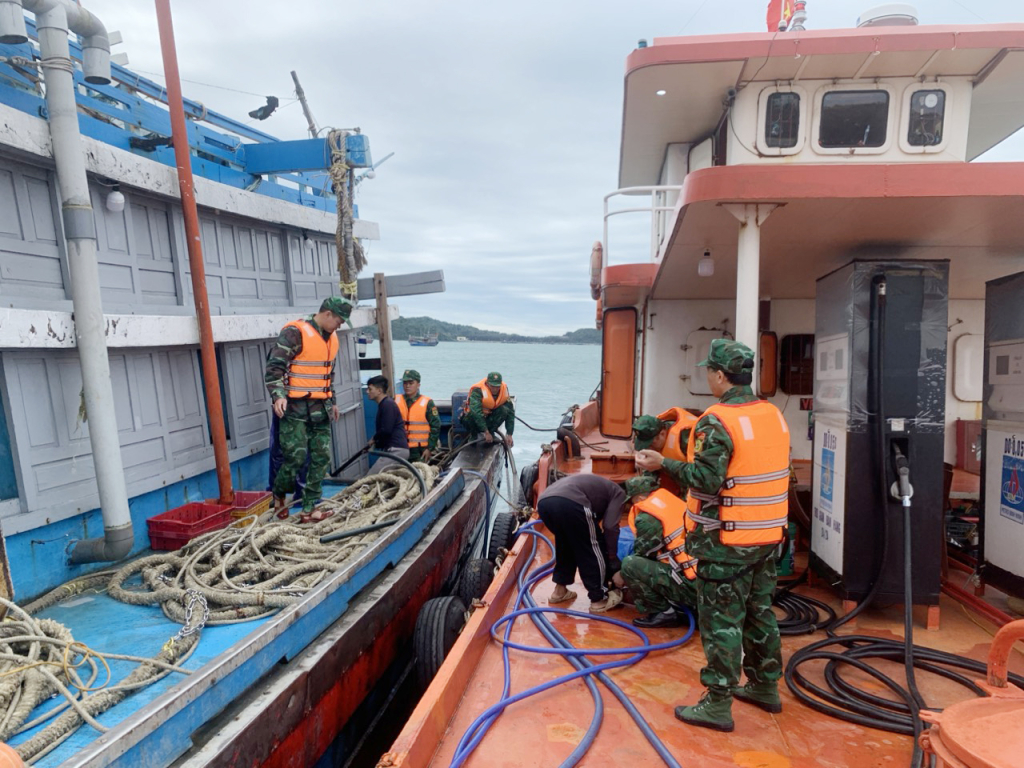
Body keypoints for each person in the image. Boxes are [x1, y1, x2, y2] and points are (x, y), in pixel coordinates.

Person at [636, 339, 789, 732]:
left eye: (709, 371)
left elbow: (706, 481)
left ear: (719, 376)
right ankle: (764, 686)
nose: (708, 377)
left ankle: (718, 703)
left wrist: (663, 462)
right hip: (768, 537)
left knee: (721, 621)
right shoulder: (774, 414)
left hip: (727, 544)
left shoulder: (716, 420)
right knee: (760, 613)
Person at [265, 296, 352, 518]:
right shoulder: (295, 332)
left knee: (322, 457)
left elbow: (327, 374)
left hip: (320, 408)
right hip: (294, 409)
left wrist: (332, 401)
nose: (340, 325)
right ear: (327, 314)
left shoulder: (332, 339)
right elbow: (274, 368)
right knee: (294, 457)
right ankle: (279, 495)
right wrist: (278, 396)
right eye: (339, 320)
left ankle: (310, 506)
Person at [615, 475, 698, 629]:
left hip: (691, 584)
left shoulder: (648, 518)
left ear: (639, 497)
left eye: (631, 500)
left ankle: (663, 612)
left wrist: (619, 574)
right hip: (704, 576)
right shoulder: (672, 502)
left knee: (630, 565)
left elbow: (642, 553)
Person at [536, 473, 625, 613]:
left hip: (544, 504)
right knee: (593, 548)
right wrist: (612, 557)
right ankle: (598, 599)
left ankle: (559, 591)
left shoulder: (601, 487)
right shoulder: (619, 493)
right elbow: (610, 527)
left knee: (567, 543)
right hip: (572, 502)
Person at [632, 408, 698, 495]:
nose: (649, 449)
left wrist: (663, 463)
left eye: (650, 444)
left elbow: (699, 475)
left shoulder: (685, 438)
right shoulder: (655, 442)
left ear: (662, 434)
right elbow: (650, 476)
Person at [365, 374, 410, 474]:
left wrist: (373, 439)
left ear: (379, 391)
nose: (367, 392)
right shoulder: (384, 405)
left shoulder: (388, 405)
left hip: (396, 450)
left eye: (370, 389)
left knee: (370, 478)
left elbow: (386, 430)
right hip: (392, 449)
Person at [460, 372, 514, 446]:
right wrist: (486, 432)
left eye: (497, 386)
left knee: (504, 410)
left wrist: (509, 434)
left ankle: (492, 432)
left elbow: (510, 412)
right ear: (487, 383)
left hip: (489, 418)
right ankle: (473, 435)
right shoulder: (478, 390)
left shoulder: (504, 390)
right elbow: (476, 412)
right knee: (472, 414)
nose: (495, 389)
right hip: (473, 421)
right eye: (492, 386)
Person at [397, 369, 440, 463]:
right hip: (400, 448)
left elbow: (435, 426)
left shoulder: (427, 403)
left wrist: (429, 448)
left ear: (418, 385)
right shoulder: (396, 401)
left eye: (411, 383)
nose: (407, 386)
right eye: (405, 383)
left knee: (420, 473)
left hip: (419, 450)